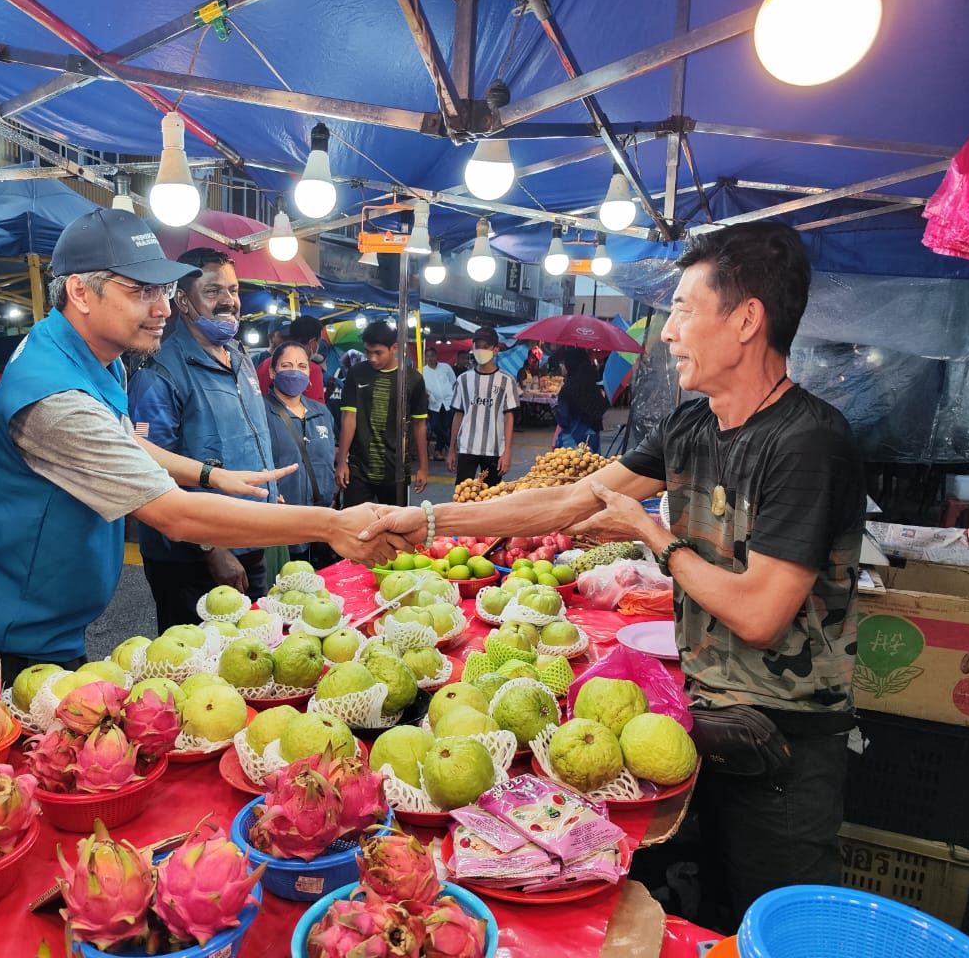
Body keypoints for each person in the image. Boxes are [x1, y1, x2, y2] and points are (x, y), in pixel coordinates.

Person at [365, 222, 864, 932]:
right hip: (701, 715)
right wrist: (426, 523)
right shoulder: (695, 425)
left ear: (747, 318)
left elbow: (759, 614)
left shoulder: (810, 442)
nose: (668, 334)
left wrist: (653, 535)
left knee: (778, 922)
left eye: (686, 310)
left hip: (785, 741)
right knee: (710, 909)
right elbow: (574, 500)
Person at [0, 209, 405, 685]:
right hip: (0, 635)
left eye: (161, 291)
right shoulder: (56, 397)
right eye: (140, 291)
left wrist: (208, 474)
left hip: (49, 622)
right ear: (79, 292)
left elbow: (119, 440)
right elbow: (175, 516)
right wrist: (333, 524)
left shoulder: (95, 353)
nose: (162, 309)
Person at [127, 248, 276, 630]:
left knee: (253, 656)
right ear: (183, 301)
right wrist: (211, 547)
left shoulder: (240, 358)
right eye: (212, 292)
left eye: (233, 289)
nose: (228, 301)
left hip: (251, 536)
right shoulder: (160, 372)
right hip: (193, 556)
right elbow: (153, 468)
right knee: (198, 666)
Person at [335, 320, 428, 506]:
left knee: (394, 527)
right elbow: (349, 418)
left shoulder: (413, 380)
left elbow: (419, 425)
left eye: (378, 352)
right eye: (368, 352)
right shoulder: (356, 373)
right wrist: (341, 462)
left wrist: (424, 468)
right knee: (353, 526)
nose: (372, 358)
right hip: (359, 468)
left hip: (396, 470)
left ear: (394, 348)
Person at [263, 340, 338, 568]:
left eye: (302, 366)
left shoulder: (321, 412)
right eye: (286, 365)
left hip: (320, 518)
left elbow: (328, 459)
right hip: (283, 521)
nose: (295, 372)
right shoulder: (260, 412)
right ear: (272, 372)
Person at [448, 327, 519, 486]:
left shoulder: (506, 381)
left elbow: (509, 418)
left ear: (495, 350)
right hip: (467, 448)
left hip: (494, 450)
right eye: (477, 346)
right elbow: (458, 415)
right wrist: (451, 449)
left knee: (490, 499)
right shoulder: (463, 380)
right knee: (463, 496)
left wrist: (507, 452)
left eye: (485, 347)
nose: (481, 350)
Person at [553, 345, 609, 451]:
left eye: (564, 363)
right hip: (591, 438)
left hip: (572, 441)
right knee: (591, 465)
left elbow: (563, 419)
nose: (562, 367)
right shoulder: (591, 385)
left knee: (572, 465)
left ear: (571, 364)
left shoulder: (568, 389)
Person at [257, 315, 326, 401]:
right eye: (318, 342)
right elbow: (317, 411)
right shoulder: (310, 369)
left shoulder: (264, 365)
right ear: (312, 343)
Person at [421, 346, 456, 457]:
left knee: (446, 426)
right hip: (434, 403)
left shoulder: (445, 367)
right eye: (428, 356)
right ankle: (450, 444)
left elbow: (453, 381)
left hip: (448, 402)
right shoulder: (422, 371)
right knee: (436, 426)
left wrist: (449, 392)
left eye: (432, 356)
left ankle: (438, 450)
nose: (430, 358)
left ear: (436, 356)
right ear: (425, 358)